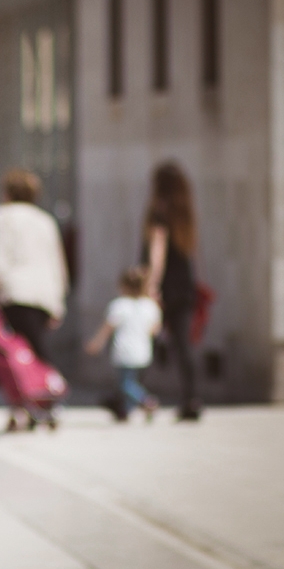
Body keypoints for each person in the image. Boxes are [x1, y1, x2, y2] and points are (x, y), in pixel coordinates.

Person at [0, 168, 69, 431]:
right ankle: (43, 402)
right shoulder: (45, 220)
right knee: (36, 350)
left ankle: (24, 406)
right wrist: (58, 302)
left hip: (13, 292)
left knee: (12, 355)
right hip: (44, 294)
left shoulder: (1, 216)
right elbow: (56, 261)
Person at [143, 161, 202, 421]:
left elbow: (157, 253)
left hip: (165, 287)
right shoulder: (185, 213)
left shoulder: (160, 212)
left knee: (143, 341)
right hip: (184, 286)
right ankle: (192, 399)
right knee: (183, 346)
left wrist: (152, 287)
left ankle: (129, 394)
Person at [85, 266, 161, 422]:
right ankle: (125, 411)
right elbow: (155, 331)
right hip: (143, 351)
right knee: (132, 382)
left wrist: (96, 343)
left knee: (125, 384)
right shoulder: (150, 306)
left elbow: (107, 328)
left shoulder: (119, 305)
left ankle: (146, 400)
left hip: (124, 351)